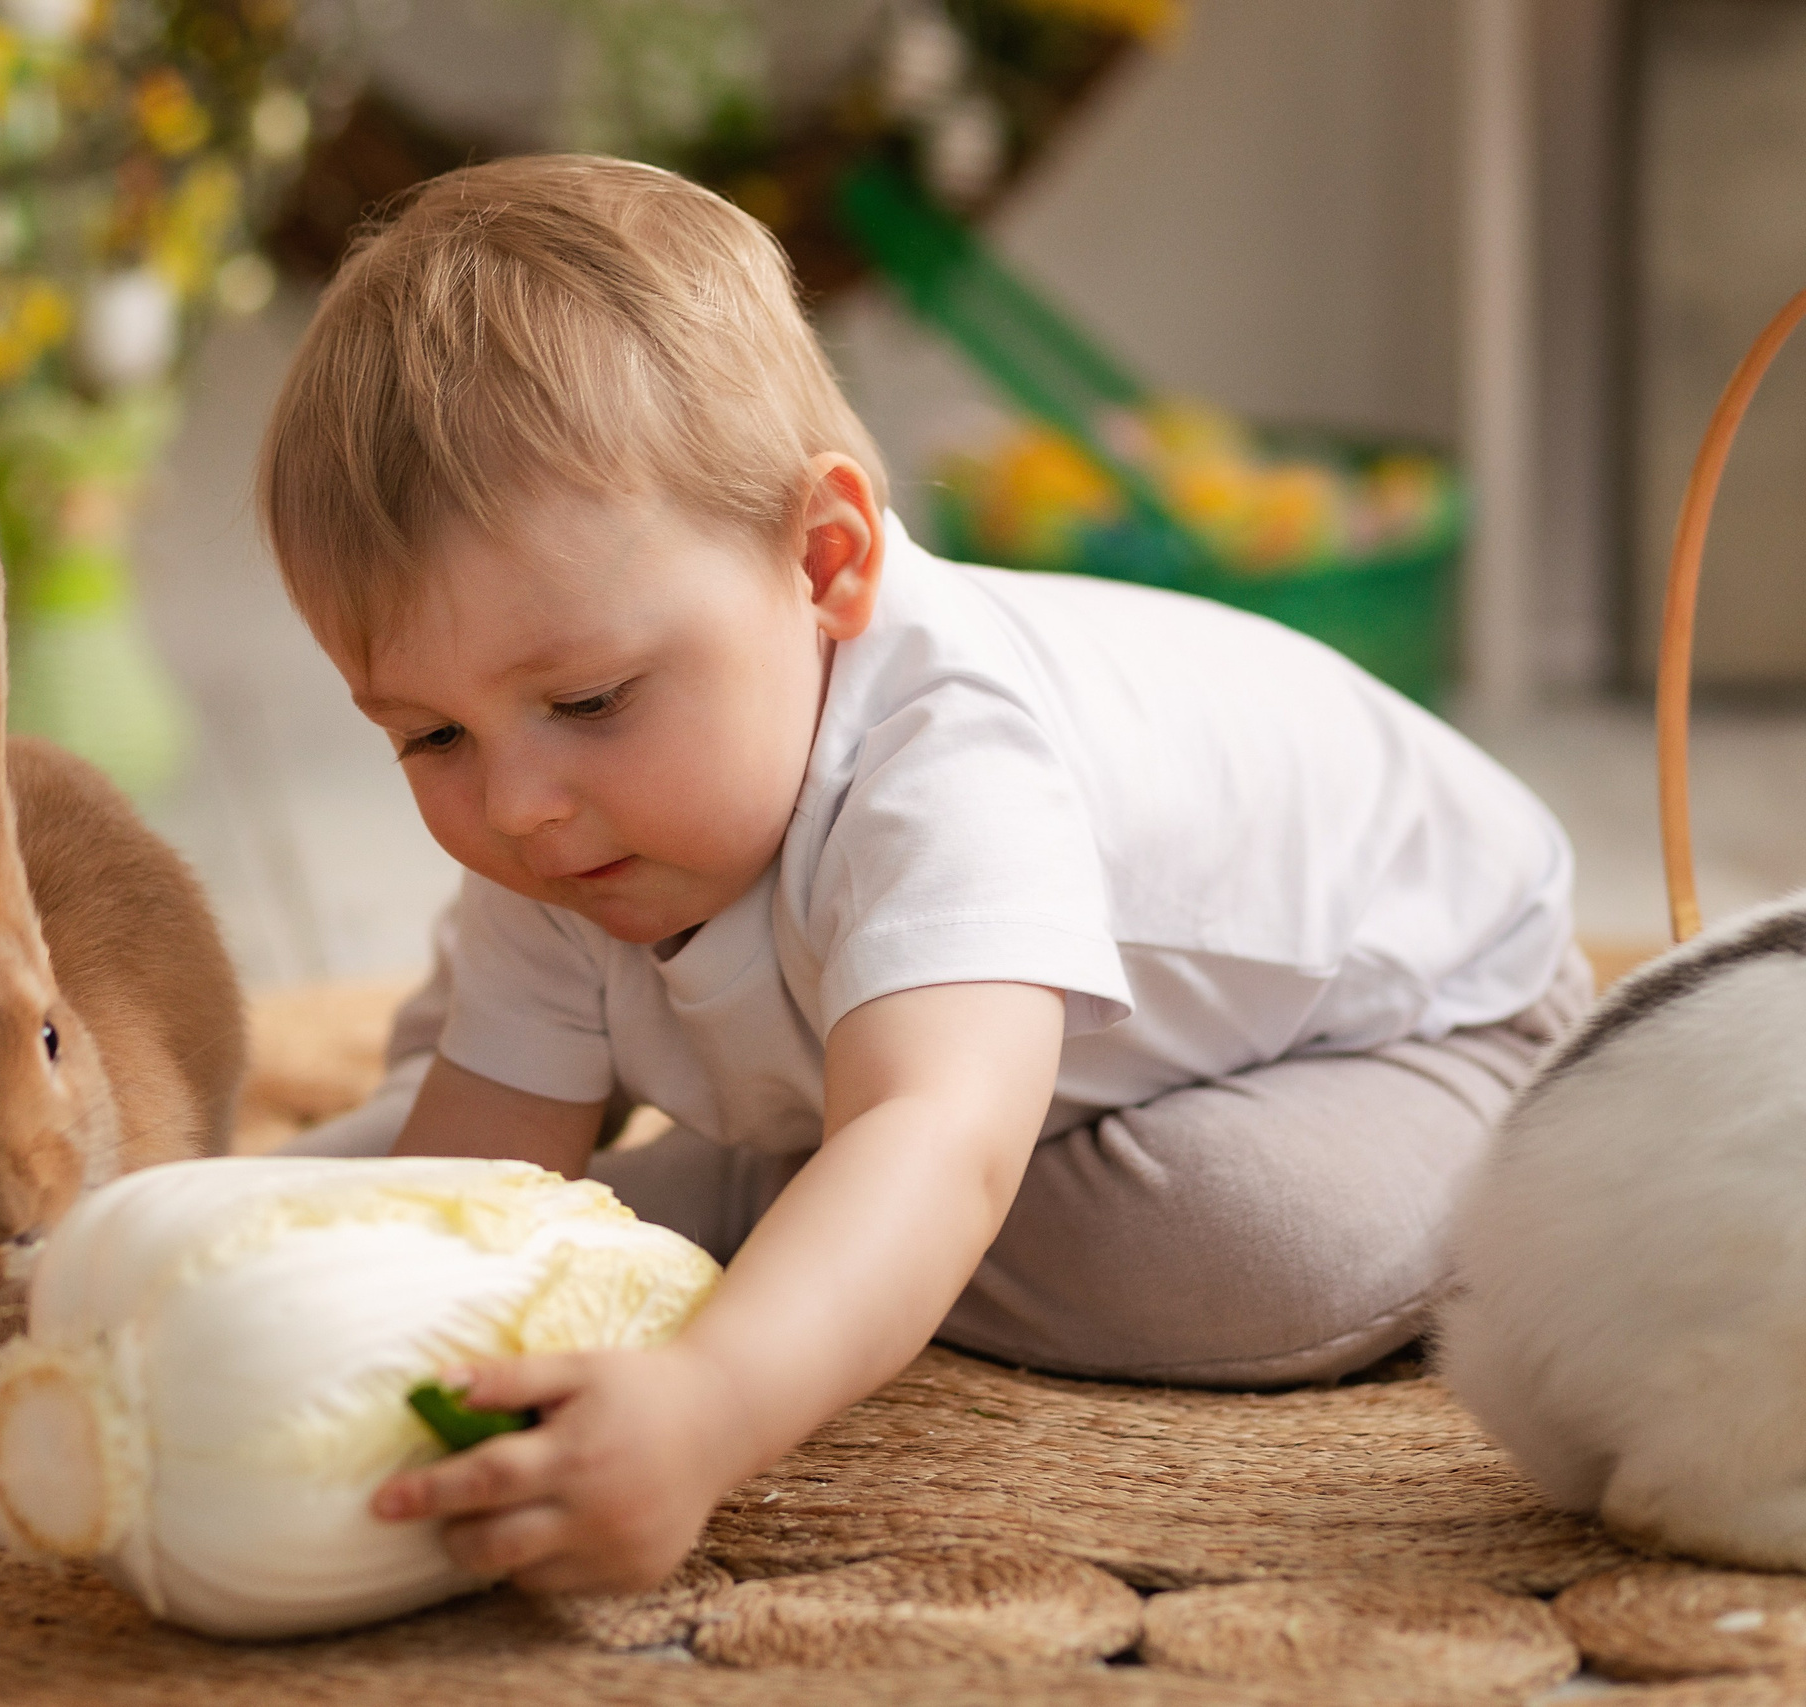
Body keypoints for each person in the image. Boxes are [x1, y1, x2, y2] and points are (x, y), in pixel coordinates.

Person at [254, 153, 1585, 1597]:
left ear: (823, 561)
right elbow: (476, 1185)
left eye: (589, 701)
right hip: (988, 1068)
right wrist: (329, 1320)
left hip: (1427, 1030)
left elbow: (941, 1138)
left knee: (1238, 1242)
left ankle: (759, 1209)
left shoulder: (951, 761)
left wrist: (707, 1406)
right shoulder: (561, 815)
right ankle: (780, 1198)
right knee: (446, 1088)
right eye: (428, 735)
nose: (514, 805)